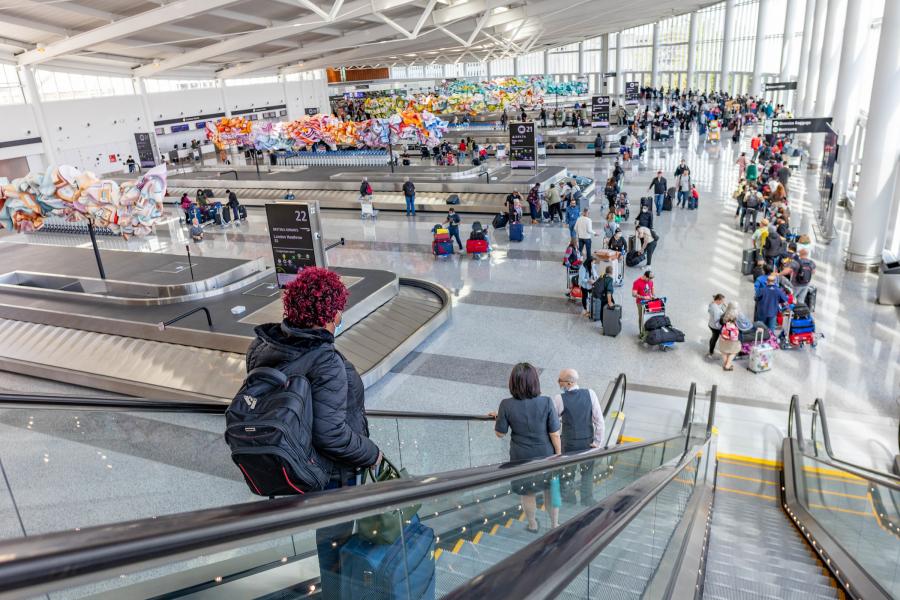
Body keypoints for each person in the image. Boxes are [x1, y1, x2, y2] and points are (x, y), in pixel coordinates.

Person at [244, 267, 381, 598]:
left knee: (328, 535)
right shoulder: (326, 361)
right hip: (332, 471)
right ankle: (340, 591)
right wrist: (371, 452)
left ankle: (338, 586)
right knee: (336, 539)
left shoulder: (262, 345)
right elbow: (331, 433)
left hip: (295, 458)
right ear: (332, 315)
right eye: (339, 312)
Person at [494, 363, 561, 533]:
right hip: (545, 455)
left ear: (513, 383)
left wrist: (500, 416)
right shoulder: (546, 402)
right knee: (549, 491)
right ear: (534, 382)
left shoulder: (506, 405)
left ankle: (532, 525)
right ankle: (554, 525)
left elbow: (500, 434)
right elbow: (554, 433)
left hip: (520, 456)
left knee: (527, 492)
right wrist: (559, 455)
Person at [552, 369, 605, 505]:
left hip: (569, 443)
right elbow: (599, 420)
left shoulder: (560, 398)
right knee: (587, 474)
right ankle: (587, 500)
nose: (558, 383)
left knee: (568, 473)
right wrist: (598, 442)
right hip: (588, 442)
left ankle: (569, 499)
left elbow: (553, 421)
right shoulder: (590, 393)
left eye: (560, 380)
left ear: (569, 382)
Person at [718, 305, 742, 371]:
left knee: (724, 351)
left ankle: (725, 364)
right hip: (733, 341)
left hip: (723, 339)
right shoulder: (737, 321)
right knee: (733, 352)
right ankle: (728, 365)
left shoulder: (724, 318)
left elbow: (720, 323)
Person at [706, 293, 726, 358]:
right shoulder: (716, 309)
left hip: (710, 324)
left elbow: (710, 310)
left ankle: (710, 350)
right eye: (722, 301)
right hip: (715, 327)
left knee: (713, 337)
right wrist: (720, 328)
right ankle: (711, 352)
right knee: (714, 339)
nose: (723, 302)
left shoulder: (712, 304)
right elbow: (717, 320)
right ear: (718, 300)